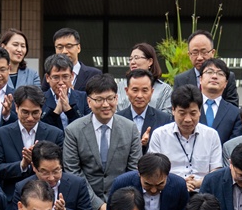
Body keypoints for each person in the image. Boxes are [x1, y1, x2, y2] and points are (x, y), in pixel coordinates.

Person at [63, 73, 142, 202]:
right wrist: (97, 205)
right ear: (89, 101)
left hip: (122, 202)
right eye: (99, 100)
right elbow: (73, 171)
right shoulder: (73, 131)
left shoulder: (130, 128)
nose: (105, 105)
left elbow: (134, 170)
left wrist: (117, 202)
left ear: (116, 98)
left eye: (110, 98)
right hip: (85, 203)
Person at [0, 85, 66, 196]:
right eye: (25, 112)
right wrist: (22, 165)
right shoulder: (1, 134)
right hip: (13, 198)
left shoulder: (55, 134)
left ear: (41, 110)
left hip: (47, 196)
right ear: (16, 108)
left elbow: (61, 168)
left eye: (35, 113)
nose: (30, 118)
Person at [148, 85, 223, 191]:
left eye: (193, 113)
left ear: (200, 111)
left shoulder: (212, 135)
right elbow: (155, 170)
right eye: (182, 113)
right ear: (173, 110)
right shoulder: (159, 135)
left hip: (203, 192)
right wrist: (180, 184)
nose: (188, 119)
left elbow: (216, 171)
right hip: (170, 190)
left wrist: (198, 183)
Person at [108, 153, 188, 210]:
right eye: (147, 184)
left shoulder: (179, 185)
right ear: (139, 174)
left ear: (167, 175)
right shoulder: (122, 183)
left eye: (160, 184)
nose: (153, 190)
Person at [172, 30, 240, 106]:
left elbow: (233, 107)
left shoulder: (227, 76)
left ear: (213, 53)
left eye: (204, 52)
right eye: (195, 53)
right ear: (189, 55)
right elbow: (177, 108)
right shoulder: (181, 80)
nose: (199, 58)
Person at [116, 69, 173, 154]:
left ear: (152, 92)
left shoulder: (164, 119)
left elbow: (167, 150)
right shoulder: (117, 119)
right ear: (127, 91)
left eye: (145, 90)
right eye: (135, 90)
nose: (139, 95)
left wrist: (149, 143)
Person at [197, 58, 242, 145]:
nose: (214, 76)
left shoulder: (235, 113)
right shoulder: (189, 108)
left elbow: (234, 145)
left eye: (220, 73)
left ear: (226, 83)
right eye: (209, 72)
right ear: (200, 79)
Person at [119, 44, 173, 114]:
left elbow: (166, 117)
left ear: (150, 61)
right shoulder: (120, 86)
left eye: (136, 58)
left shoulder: (165, 90)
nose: (132, 62)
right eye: (130, 59)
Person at [41, 54, 90, 131]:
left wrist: (68, 109)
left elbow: (87, 127)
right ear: (47, 78)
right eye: (56, 77)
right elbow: (41, 128)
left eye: (65, 76)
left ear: (72, 76)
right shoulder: (40, 99)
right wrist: (56, 111)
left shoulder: (83, 97)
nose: (61, 82)